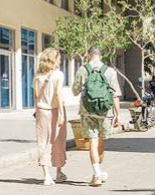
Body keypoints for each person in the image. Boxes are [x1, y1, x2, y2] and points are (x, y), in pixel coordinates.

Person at [71, 46, 122, 187]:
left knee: (93, 142)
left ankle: (97, 173)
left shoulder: (83, 70)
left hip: (87, 111)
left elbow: (75, 91)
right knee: (101, 142)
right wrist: (118, 114)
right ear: (101, 56)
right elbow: (115, 95)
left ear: (88, 55)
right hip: (104, 112)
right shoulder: (109, 71)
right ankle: (99, 171)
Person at [33, 47, 68, 185]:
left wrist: (36, 109)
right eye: (58, 58)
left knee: (43, 142)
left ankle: (46, 175)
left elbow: (35, 95)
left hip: (41, 110)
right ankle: (58, 172)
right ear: (53, 59)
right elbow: (58, 94)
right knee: (58, 141)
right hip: (55, 110)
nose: (60, 60)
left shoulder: (37, 75)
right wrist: (61, 114)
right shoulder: (58, 75)